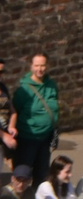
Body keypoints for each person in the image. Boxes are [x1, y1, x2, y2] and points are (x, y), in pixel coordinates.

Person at [7, 58, 55, 186]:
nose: (40, 69)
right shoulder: (24, 89)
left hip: (45, 137)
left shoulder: (52, 85)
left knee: (42, 174)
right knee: (23, 176)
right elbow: (15, 110)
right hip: (28, 139)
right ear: (31, 67)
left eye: (43, 65)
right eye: (37, 65)